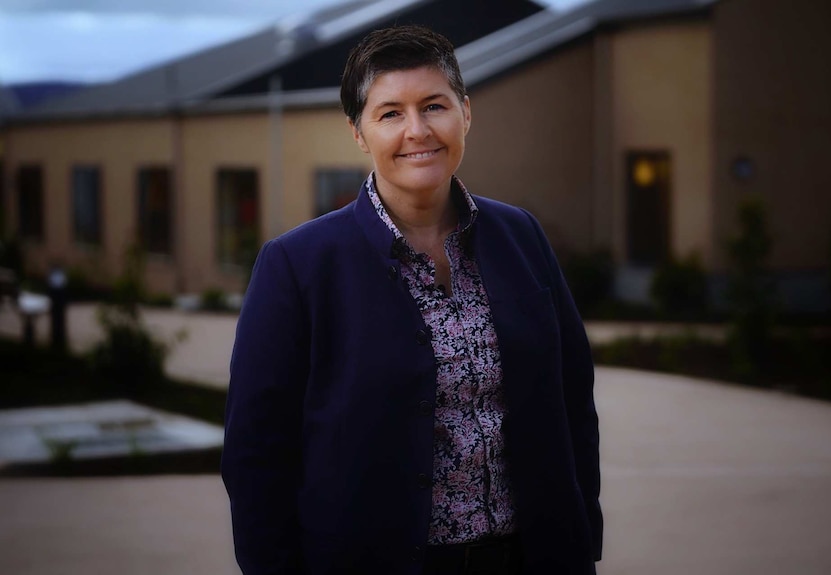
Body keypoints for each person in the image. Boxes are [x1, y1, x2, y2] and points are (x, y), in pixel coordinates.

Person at [222, 24, 602, 575]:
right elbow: (256, 455)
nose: (418, 130)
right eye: (390, 113)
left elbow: (572, 402)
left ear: (465, 113)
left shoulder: (522, 236)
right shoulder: (297, 266)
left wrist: (581, 540)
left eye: (434, 106)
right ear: (358, 132)